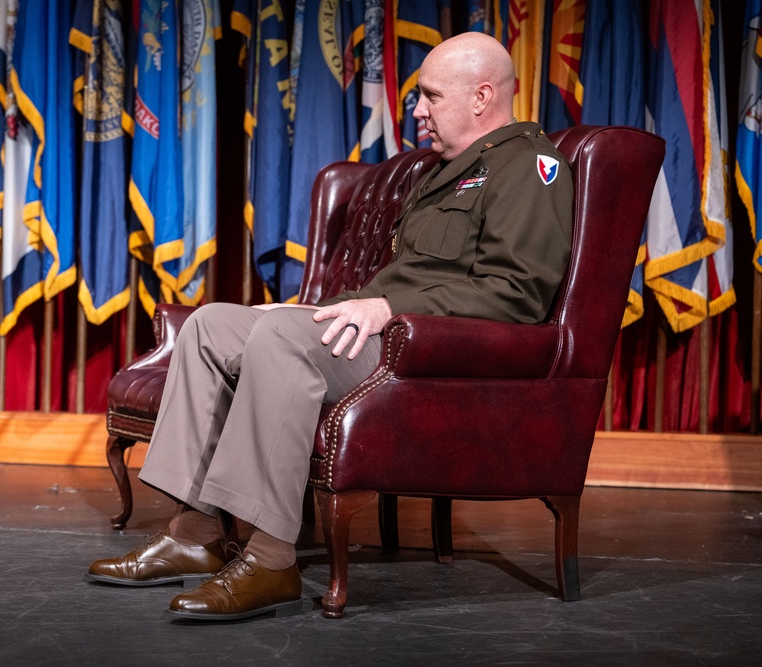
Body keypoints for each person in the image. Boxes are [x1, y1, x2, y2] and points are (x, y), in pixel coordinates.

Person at [87, 32, 574, 621]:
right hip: (384, 331)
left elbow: (517, 294)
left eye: (430, 96)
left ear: (482, 97)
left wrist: (388, 311)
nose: (417, 110)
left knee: (277, 343)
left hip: (426, 352)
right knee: (214, 325)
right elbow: (399, 279)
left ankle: (269, 560)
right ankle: (195, 532)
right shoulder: (448, 170)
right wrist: (306, 310)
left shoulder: (531, 167)